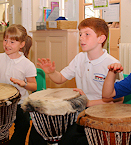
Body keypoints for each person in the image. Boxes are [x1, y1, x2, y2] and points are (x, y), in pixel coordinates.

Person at [28, 17, 124, 145]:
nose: (81, 37)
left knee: (70, 139)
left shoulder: (112, 64)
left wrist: (88, 102)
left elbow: (118, 101)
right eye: (80, 34)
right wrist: (51, 72)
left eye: (87, 34)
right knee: (37, 129)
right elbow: (60, 79)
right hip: (81, 109)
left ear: (101, 38)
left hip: (102, 113)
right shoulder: (80, 58)